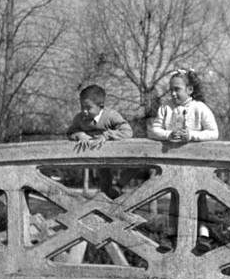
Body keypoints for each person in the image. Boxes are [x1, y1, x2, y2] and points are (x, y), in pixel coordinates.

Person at [147, 68, 219, 250]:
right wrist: (168, 134)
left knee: (199, 198)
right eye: (171, 89)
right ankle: (171, 235)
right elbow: (153, 131)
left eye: (177, 89)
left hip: (197, 164)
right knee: (175, 199)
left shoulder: (200, 108)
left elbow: (213, 133)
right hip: (174, 163)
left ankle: (203, 235)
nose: (173, 93)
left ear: (190, 90)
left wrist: (192, 135)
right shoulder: (166, 109)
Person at [67, 84, 133, 199]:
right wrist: (80, 135)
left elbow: (127, 131)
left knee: (136, 167)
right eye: (82, 107)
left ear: (101, 106)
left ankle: (119, 185)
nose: (84, 111)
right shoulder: (79, 118)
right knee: (104, 176)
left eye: (88, 108)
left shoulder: (110, 115)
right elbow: (70, 133)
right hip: (99, 157)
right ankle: (105, 199)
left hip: (119, 153)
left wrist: (106, 135)